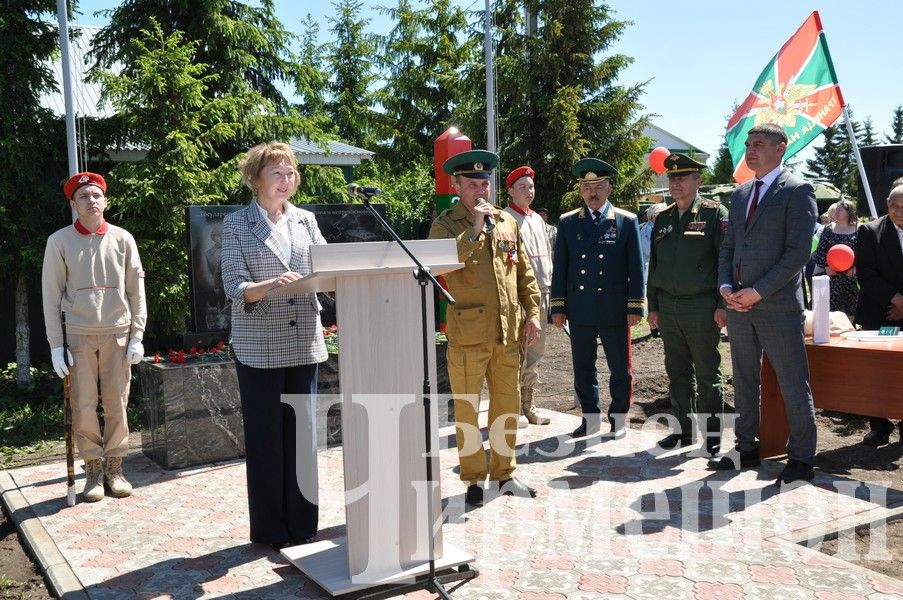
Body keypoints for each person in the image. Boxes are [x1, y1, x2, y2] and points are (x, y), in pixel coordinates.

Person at [221, 141, 327, 548]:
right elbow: (234, 286)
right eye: (277, 173)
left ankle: (303, 526)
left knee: (302, 437)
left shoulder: (306, 221)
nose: (286, 180)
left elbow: (325, 266)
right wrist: (270, 285)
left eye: (290, 173)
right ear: (255, 179)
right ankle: (269, 530)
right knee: (267, 439)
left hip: (304, 341)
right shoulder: (236, 224)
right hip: (258, 346)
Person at [429, 150, 542, 507]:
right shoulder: (446, 224)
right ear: (456, 186)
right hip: (468, 334)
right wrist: (475, 229)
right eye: (473, 183)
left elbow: (523, 271)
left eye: (485, 182)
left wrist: (534, 311)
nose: (481, 189)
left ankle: (505, 474)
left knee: (506, 406)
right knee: (467, 409)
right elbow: (437, 265)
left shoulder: (507, 223)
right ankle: (474, 479)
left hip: (507, 333)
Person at [713, 123, 818, 485]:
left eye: (758, 144)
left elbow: (798, 254)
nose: (750, 150)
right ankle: (746, 447)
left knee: (792, 381)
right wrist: (726, 287)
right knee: (743, 380)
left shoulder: (798, 190)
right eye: (748, 144)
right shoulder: (741, 193)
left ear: (781, 148)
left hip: (776, 307)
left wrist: (757, 291)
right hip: (739, 306)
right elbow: (729, 248)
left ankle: (802, 458)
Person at [42, 172, 147, 502]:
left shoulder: (123, 239)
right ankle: (93, 471)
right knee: (84, 404)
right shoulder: (59, 242)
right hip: (79, 336)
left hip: (117, 332)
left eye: (96, 195)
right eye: (84, 197)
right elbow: (50, 294)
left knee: (117, 403)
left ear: (106, 201)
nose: (91, 201)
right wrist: (56, 345)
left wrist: (137, 335)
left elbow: (136, 290)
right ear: (73, 204)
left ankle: (115, 468)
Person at [551, 158, 645, 438]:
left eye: (598, 186)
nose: (592, 192)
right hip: (580, 307)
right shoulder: (568, 223)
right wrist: (558, 306)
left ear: (609, 189)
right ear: (581, 191)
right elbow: (561, 267)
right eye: (587, 187)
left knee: (620, 367)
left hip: (614, 307)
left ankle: (618, 419)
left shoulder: (626, 221)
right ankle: (590, 418)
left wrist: (635, 305)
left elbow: (635, 267)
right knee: (583, 366)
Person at [646, 154, 727, 456]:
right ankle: (683, 430)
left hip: (702, 306)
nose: (676, 183)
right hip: (668, 306)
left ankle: (713, 433)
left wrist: (722, 303)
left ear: (698, 181)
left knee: (707, 372)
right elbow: (654, 265)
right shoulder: (663, 218)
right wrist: (652, 306)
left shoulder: (714, 213)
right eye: (672, 178)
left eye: (683, 177)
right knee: (677, 371)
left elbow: (725, 262)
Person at [853, 185, 903, 446]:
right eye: (895, 206)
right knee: (880, 369)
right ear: (886, 203)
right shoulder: (870, 231)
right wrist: (896, 300)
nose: (899, 212)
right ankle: (879, 425)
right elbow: (867, 275)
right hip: (882, 317)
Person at [503, 166, 552, 426]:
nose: (529, 191)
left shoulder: (537, 219)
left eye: (531, 186)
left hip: (542, 293)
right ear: (510, 190)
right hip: (521, 297)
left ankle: (528, 405)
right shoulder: (506, 219)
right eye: (522, 186)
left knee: (535, 351)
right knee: (517, 351)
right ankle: (513, 408)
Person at [812, 198, 859, 318]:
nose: (836, 212)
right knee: (831, 312)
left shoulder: (858, 229)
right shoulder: (828, 229)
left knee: (850, 311)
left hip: (850, 279)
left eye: (840, 210)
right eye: (836, 209)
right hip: (832, 278)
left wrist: (855, 269)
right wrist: (826, 266)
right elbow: (820, 251)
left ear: (849, 212)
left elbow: (864, 253)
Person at [640, 202, 667, 337]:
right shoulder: (646, 230)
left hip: (661, 269)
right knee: (653, 300)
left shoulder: (662, 227)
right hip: (650, 269)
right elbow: (648, 250)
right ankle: (654, 328)